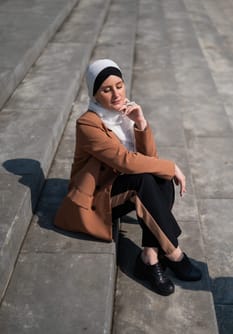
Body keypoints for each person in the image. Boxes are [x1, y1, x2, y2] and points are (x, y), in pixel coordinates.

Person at [54, 59, 202, 296]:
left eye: (119, 86)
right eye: (106, 89)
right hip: (95, 198)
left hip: (121, 186)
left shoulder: (124, 114)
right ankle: (174, 253)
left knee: (160, 178)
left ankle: (150, 255)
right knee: (145, 178)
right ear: (95, 94)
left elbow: (148, 158)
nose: (116, 94)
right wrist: (171, 166)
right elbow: (124, 162)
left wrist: (141, 123)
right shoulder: (87, 124)